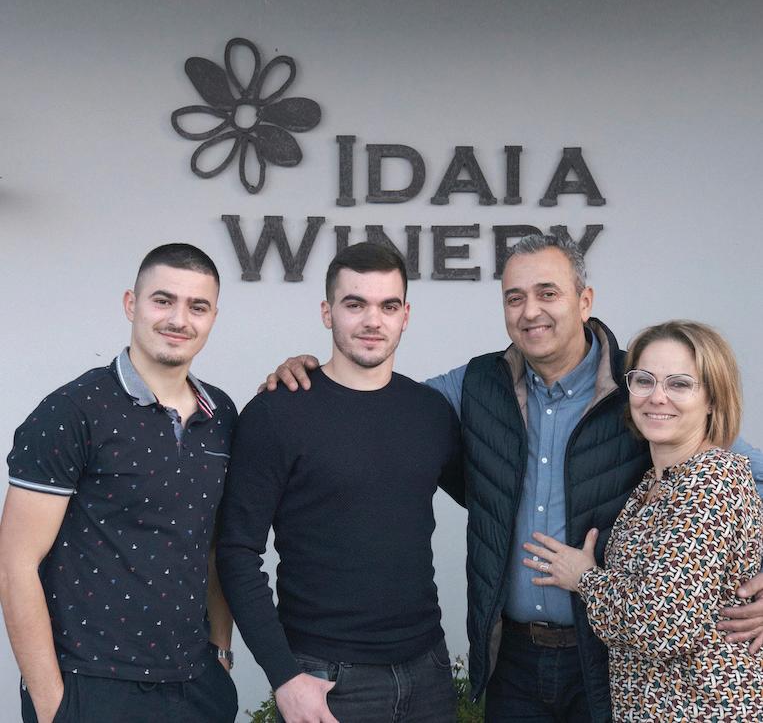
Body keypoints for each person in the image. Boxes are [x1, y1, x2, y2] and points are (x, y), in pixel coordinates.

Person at [262, 234, 763, 723]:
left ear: (584, 301)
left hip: (605, 659)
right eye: (515, 297)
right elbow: (381, 400)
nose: (530, 311)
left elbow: (739, 477)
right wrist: (315, 374)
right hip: (514, 660)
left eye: (548, 293)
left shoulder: (640, 388)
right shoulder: (476, 385)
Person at [217, 242, 461, 723]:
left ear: (405, 315)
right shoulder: (276, 413)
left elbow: (494, 500)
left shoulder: (431, 413)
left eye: (388, 306)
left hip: (428, 672)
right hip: (326, 677)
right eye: (355, 304)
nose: (373, 320)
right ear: (327, 312)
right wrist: (284, 676)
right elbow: (236, 552)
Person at [0, 244, 238, 723]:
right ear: (132, 304)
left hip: (196, 686)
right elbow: (15, 563)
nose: (179, 319)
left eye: (198, 306)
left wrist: (220, 654)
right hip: (91, 685)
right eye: (163, 300)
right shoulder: (72, 412)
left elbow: (215, 546)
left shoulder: (222, 415)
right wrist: (52, 705)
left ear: (213, 317)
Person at [523, 320, 763, 720]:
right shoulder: (654, 482)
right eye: (644, 380)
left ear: (712, 399)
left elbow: (663, 627)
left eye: (680, 384)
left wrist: (585, 579)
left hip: (703, 709)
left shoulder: (710, 481)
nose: (657, 397)